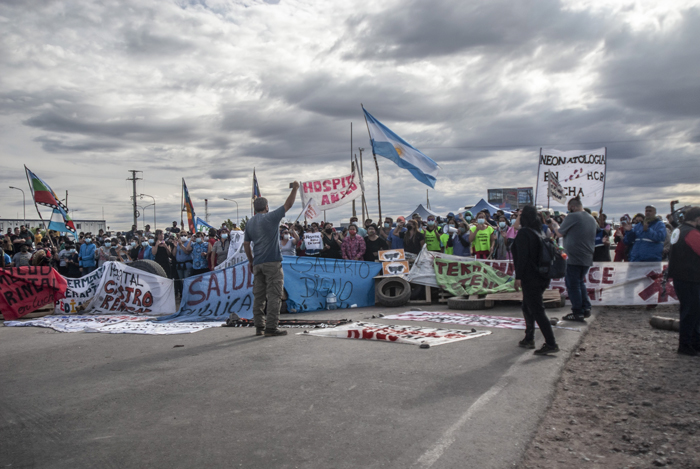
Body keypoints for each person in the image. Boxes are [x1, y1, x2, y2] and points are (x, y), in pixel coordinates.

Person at [244, 182, 299, 337]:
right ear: (266, 207)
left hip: (258, 263)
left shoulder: (250, 223)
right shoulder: (271, 217)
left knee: (259, 297)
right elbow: (288, 204)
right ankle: (271, 328)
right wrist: (295, 188)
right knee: (274, 295)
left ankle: (259, 327)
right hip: (272, 262)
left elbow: (246, 244)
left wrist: (250, 260)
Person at [512, 205, 559, 355]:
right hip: (542, 275)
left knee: (537, 310)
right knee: (527, 307)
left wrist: (518, 277)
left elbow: (522, 258)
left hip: (530, 277)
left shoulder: (524, 233)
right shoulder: (540, 231)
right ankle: (529, 337)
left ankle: (551, 343)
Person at [553, 197, 597, 322]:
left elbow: (560, 233)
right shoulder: (591, 218)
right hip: (587, 256)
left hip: (573, 257)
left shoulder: (573, 217)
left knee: (572, 285)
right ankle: (586, 308)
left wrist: (555, 225)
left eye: (568, 210)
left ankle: (577, 311)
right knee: (580, 282)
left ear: (573, 207)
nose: (568, 213)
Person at [667, 207, 700, 356]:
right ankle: (687, 344)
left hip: (681, 277)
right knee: (691, 312)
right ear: (697, 219)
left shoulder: (679, 230)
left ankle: (691, 343)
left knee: (689, 311)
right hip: (691, 277)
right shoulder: (692, 233)